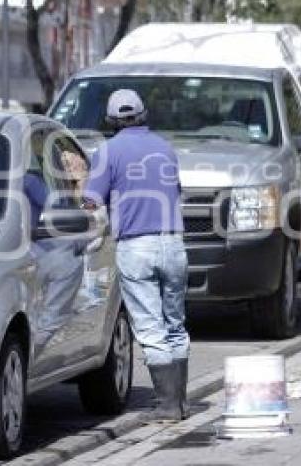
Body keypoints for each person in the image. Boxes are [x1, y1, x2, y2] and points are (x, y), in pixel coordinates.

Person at [83, 89, 189, 423]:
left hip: (136, 247)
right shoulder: (165, 148)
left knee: (149, 326)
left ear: (111, 120)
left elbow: (91, 202)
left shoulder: (107, 152)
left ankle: (168, 406)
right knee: (175, 325)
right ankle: (180, 401)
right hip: (173, 244)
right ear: (143, 114)